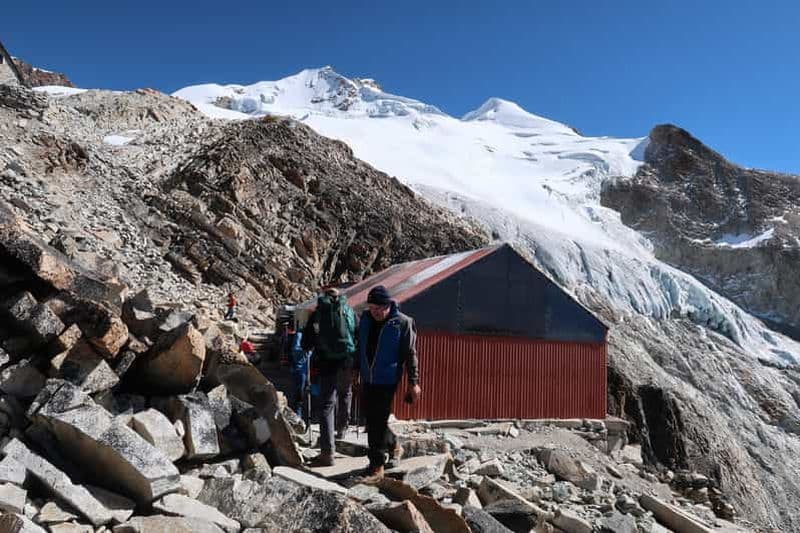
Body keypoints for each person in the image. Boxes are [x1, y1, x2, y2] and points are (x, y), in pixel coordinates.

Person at [358, 285, 420, 480]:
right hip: (368, 377)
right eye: (371, 308)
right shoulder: (365, 320)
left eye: (378, 309)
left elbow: (410, 354)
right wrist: (354, 370)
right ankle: (394, 445)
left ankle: (376, 465)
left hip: (387, 379)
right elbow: (359, 346)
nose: (375, 312)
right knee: (372, 419)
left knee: (377, 421)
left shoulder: (402, 323)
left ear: (388, 305)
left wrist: (413, 382)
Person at [302, 287, 357, 467]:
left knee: (327, 404)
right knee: (346, 393)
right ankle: (342, 428)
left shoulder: (318, 314)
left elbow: (305, 343)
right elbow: (358, 335)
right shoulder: (349, 311)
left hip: (326, 363)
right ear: (340, 296)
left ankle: (327, 452)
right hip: (347, 362)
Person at [286, 323, 311, 419]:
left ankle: (301, 416)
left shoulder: (306, 335)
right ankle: (298, 416)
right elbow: (296, 351)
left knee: (304, 393)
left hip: (305, 369)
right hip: (299, 369)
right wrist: (307, 350)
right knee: (299, 394)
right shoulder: (300, 334)